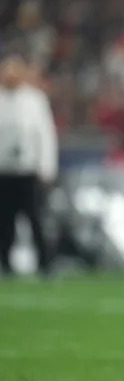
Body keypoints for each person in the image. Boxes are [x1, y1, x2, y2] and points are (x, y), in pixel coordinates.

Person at [0, 49, 57, 277]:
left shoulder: (35, 100)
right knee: (5, 221)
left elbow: (45, 134)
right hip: (3, 169)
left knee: (35, 219)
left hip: (28, 169)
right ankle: (5, 263)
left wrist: (46, 166)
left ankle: (45, 263)